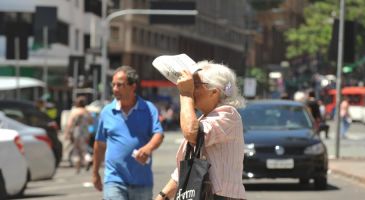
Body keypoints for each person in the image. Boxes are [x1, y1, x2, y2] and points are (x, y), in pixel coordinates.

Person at [156, 61, 246, 200]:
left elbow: (192, 133)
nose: (191, 89)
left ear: (214, 91)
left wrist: (185, 94)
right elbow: (189, 167)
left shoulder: (228, 114)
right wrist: (163, 196)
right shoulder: (205, 118)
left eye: (195, 85)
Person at [92, 66, 164, 200]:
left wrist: (148, 148)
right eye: (113, 85)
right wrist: (95, 172)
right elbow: (99, 144)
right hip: (114, 179)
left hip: (142, 181)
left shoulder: (148, 109)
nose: (115, 89)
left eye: (120, 85)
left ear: (133, 86)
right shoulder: (107, 112)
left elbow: (159, 134)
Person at [64, 96, 93, 174]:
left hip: (76, 132)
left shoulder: (74, 111)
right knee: (84, 149)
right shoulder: (87, 111)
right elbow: (91, 122)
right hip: (85, 132)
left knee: (76, 150)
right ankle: (88, 159)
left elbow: (69, 123)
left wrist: (67, 133)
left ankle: (77, 167)